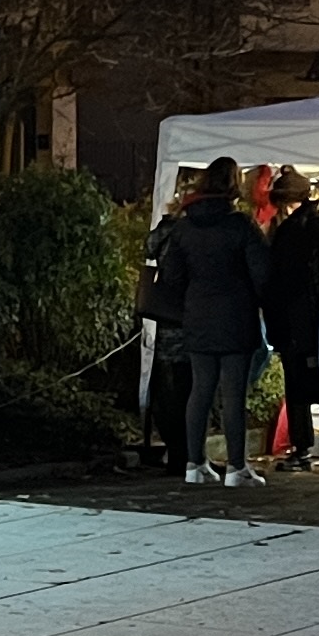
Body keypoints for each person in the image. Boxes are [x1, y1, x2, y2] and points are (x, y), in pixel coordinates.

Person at [152, 155, 274, 489]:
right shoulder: (240, 225)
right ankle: (236, 468)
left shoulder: (184, 227)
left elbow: (172, 277)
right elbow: (262, 274)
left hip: (197, 316)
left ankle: (195, 464)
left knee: (200, 389)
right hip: (236, 316)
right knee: (233, 392)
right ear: (234, 185)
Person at [262, 169, 319, 471]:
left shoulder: (290, 231)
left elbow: (278, 281)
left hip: (294, 322)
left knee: (298, 387)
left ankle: (303, 447)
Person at [130, 169, 196, 470]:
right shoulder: (198, 230)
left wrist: (169, 221)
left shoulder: (169, 231)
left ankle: (176, 449)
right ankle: (186, 450)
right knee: (191, 390)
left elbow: (149, 247)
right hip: (193, 321)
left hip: (168, 320)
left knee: (170, 391)